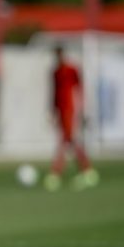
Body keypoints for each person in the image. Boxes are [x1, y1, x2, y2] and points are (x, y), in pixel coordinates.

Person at [43, 46, 98, 191]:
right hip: (61, 110)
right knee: (70, 140)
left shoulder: (71, 69)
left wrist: (84, 109)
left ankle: (56, 173)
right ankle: (87, 170)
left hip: (70, 109)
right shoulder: (55, 72)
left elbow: (79, 88)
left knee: (65, 140)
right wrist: (52, 111)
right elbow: (54, 93)